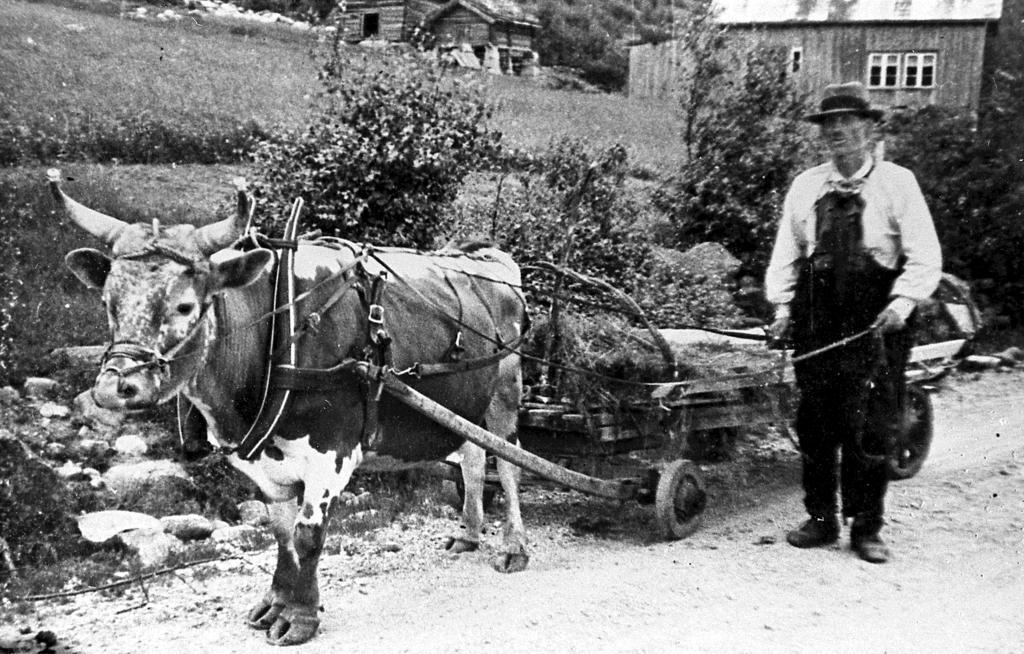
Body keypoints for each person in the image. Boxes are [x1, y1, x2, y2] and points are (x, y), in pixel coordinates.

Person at [764, 81, 942, 563]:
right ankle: (820, 518)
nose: (838, 131)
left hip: (876, 321)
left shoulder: (897, 183)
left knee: (871, 425)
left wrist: (901, 305)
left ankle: (867, 528)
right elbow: (787, 253)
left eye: (849, 122)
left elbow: (925, 257)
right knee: (817, 422)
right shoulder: (806, 185)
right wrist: (782, 309)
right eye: (830, 124)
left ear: (869, 129)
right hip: (818, 318)